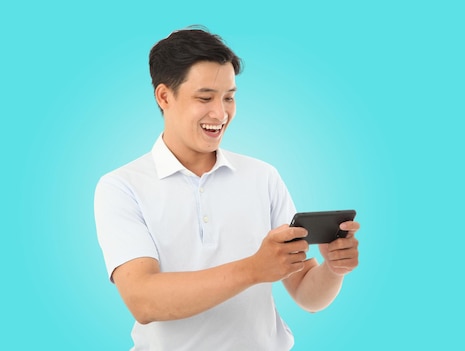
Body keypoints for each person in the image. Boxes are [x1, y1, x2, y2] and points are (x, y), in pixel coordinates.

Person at [93, 26, 360, 350]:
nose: (220, 114)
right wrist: (253, 269)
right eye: (204, 98)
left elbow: (307, 293)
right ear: (164, 96)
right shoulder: (121, 187)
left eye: (229, 97)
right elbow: (144, 300)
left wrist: (334, 268)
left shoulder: (263, 176)